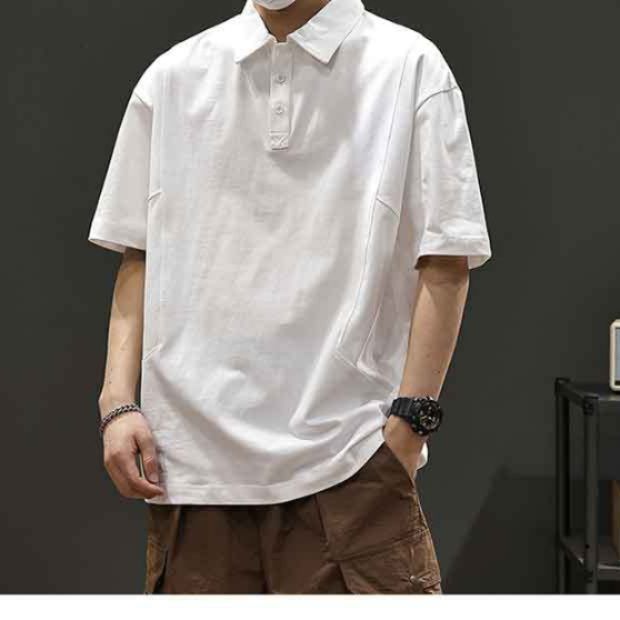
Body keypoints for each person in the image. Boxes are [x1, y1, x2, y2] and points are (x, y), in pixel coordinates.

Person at [88, 0, 492, 594]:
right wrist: (117, 402)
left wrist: (409, 426)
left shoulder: (409, 66)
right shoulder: (172, 77)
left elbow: (446, 257)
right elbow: (139, 252)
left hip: (352, 464)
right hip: (192, 473)